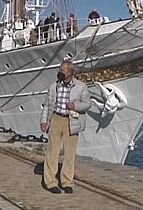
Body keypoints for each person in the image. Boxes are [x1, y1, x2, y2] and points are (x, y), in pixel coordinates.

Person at [40, 60, 91, 194]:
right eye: (59, 70)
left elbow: (87, 104)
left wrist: (75, 106)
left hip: (72, 120)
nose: (59, 73)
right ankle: (50, 182)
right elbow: (47, 105)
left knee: (70, 154)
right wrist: (44, 121)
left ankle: (67, 181)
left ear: (70, 73)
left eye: (62, 71)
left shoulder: (81, 87)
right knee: (52, 151)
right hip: (56, 119)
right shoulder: (54, 86)